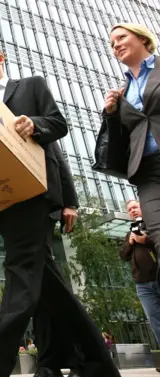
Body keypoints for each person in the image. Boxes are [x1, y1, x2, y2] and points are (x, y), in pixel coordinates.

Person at [0, 42, 124, 377]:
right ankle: (93, 369)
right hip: (5, 200)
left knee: (21, 272)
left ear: (1, 58)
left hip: (37, 191)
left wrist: (68, 198)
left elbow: (58, 128)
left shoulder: (31, 86)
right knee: (47, 290)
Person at [19, 142, 85, 377]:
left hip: (40, 205)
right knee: (43, 292)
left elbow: (55, 155)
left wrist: (70, 202)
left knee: (48, 289)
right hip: (15, 213)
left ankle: (82, 363)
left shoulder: (27, 106)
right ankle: (51, 369)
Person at [104, 23, 160, 269]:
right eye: (112, 43)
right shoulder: (122, 91)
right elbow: (121, 136)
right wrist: (111, 113)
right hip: (147, 170)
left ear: (143, 39)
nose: (115, 44)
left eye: (121, 37)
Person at [120, 200, 160, 344]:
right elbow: (123, 256)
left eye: (135, 207)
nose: (133, 211)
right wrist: (130, 243)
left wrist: (146, 240)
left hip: (157, 276)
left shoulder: (154, 225)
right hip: (142, 284)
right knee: (154, 319)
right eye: (130, 209)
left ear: (142, 208)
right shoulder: (130, 233)